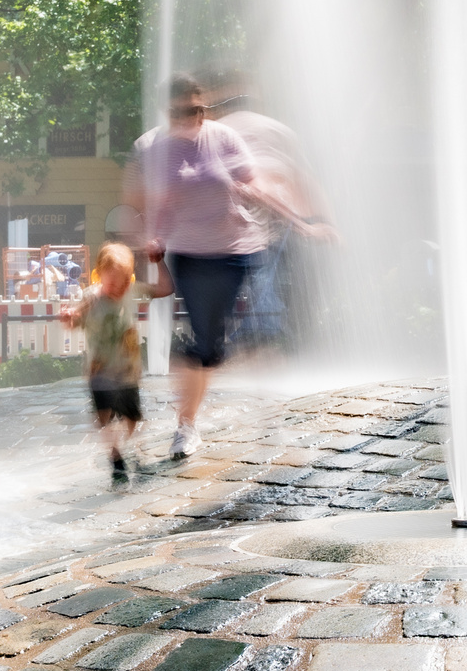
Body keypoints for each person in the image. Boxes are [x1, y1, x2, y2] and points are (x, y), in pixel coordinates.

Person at [125, 74, 337, 458]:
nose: (191, 118)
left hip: (239, 249)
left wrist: (302, 224)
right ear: (168, 112)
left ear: (203, 108)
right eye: (181, 112)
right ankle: (186, 427)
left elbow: (258, 188)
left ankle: (269, 412)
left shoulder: (223, 139)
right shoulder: (159, 150)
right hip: (190, 255)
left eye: (197, 110)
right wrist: (154, 238)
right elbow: (160, 205)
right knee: (208, 344)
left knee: (253, 331)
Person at [201, 68, 332, 353]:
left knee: (259, 289)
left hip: (245, 229)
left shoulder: (216, 134)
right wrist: (322, 223)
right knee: (276, 288)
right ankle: (281, 343)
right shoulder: (277, 130)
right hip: (276, 225)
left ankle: (259, 342)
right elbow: (304, 182)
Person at [67, 241, 160, 484]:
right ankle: (116, 457)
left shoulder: (131, 292)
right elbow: (75, 319)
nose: (118, 289)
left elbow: (165, 288)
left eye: (123, 283)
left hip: (127, 371)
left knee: (133, 419)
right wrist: (69, 317)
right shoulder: (90, 299)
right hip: (100, 371)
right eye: (111, 284)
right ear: (99, 275)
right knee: (103, 417)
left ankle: (131, 446)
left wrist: (159, 261)